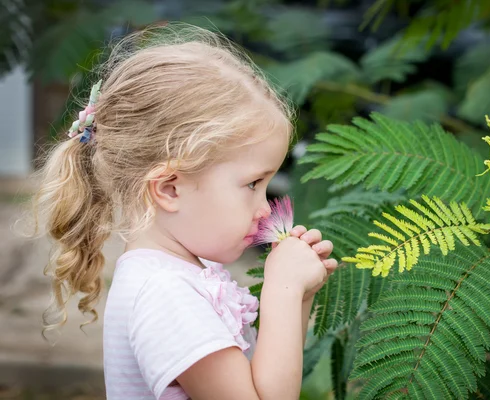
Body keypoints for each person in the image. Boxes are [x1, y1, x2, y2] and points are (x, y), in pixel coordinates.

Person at [31, 23, 339, 399]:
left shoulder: (181, 276)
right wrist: (283, 291)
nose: (264, 209)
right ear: (170, 188)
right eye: (252, 185)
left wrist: (299, 297)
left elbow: (260, 379)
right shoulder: (165, 296)